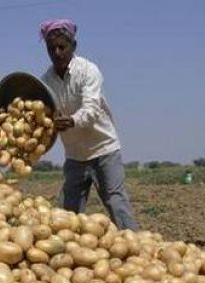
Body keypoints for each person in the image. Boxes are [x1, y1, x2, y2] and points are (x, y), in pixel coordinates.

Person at [39, 19, 139, 231]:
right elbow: (41, 114)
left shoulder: (88, 71)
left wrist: (72, 120)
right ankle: (67, 256)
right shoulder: (45, 81)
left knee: (116, 202)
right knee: (68, 213)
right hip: (75, 156)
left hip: (103, 149)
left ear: (73, 46)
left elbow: (92, 111)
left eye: (62, 47)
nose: (57, 53)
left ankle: (138, 248)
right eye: (51, 49)